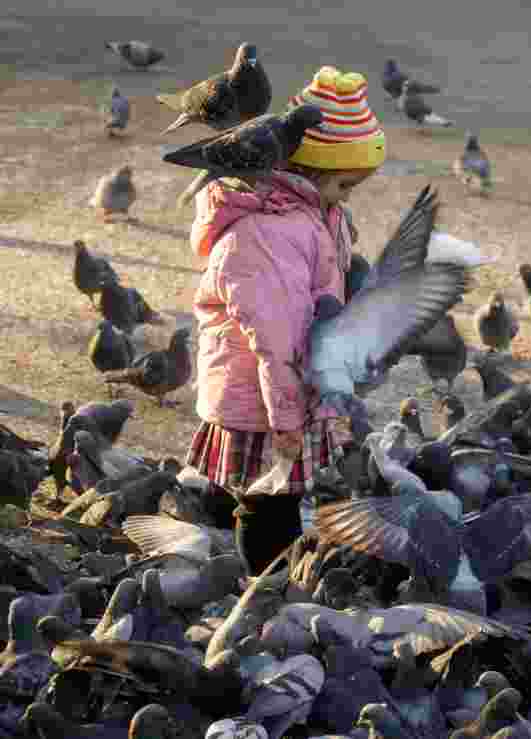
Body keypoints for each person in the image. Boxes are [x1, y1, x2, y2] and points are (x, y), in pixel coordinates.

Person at [183, 67, 386, 575]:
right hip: (264, 399)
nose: (347, 197)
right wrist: (288, 421)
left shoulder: (310, 217)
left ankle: (231, 553)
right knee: (268, 506)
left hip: (278, 390)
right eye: (345, 184)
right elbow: (275, 341)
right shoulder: (270, 236)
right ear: (312, 173)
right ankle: (259, 590)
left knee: (272, 498)